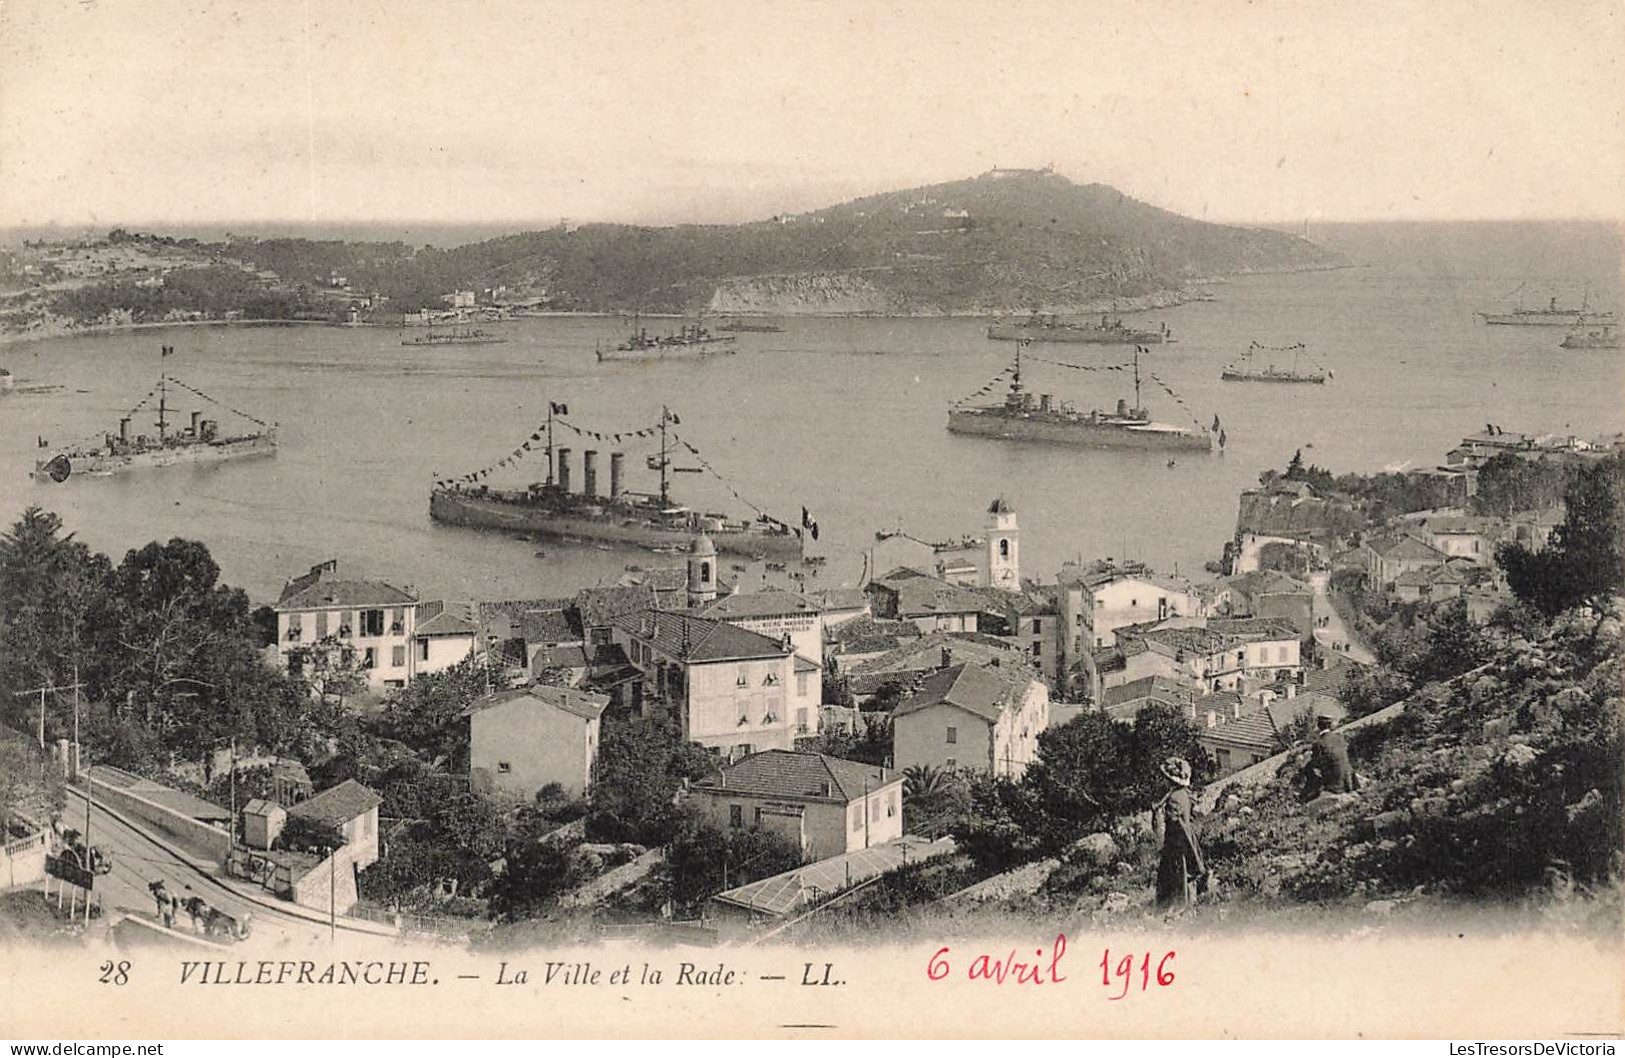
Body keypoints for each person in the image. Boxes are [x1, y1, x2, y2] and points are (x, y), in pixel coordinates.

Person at [1152, 757, 1206, 910]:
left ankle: (1174, 906)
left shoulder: (1172, 800)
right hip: (1187, 837)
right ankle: (1187, 901)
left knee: (1175, 874)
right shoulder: (1184, 793)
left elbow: (1175, 824)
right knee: (1187, 871)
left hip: (1177, 842)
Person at [1309, 714, 1358, 795]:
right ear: (1330, 725)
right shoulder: (1339, 738)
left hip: (1335, 784)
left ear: (1318, 726)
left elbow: (1316, 765)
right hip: (1349, 780)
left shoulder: (1318, 743)